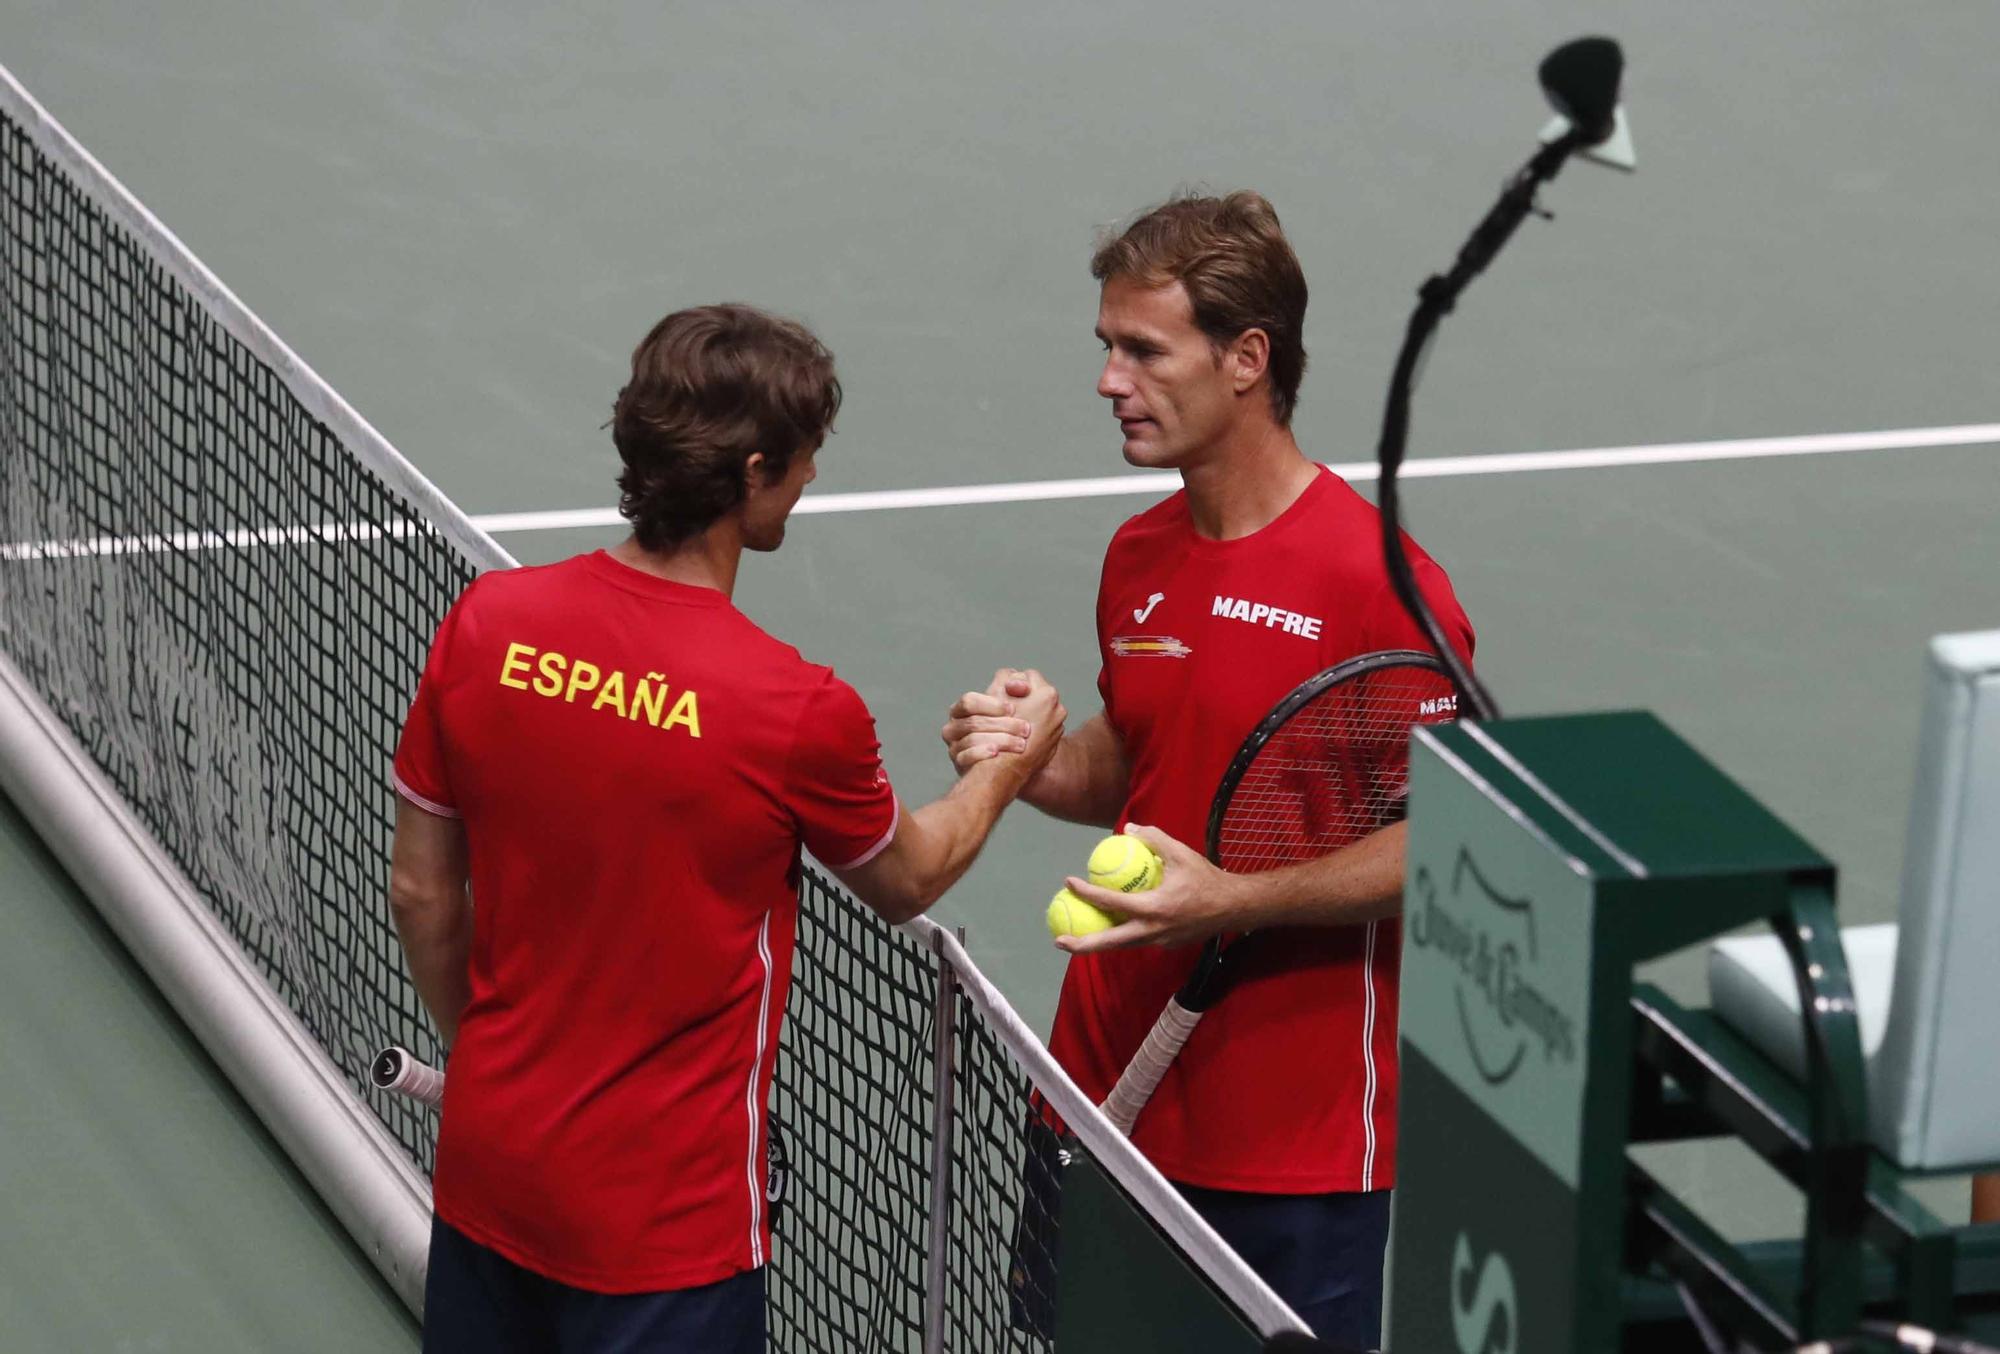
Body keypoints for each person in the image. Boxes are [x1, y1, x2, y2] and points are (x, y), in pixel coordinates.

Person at [389, 303, 1063, 1353]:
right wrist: (1009, 759)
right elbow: (906, 876)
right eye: (800, 462)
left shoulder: (487, 623)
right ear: (752, 471)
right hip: (668, 1234)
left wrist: (483, 1064)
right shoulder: (791, 708)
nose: (806, 482)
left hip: (491, 1172)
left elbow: (423, 892)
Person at [942, 192, 1474, 1347]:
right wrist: (1035, 756)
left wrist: (1232, 902)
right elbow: (1140, 763)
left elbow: (1450, 839)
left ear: (1246, 360)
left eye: (1141, 349)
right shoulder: (1138, 552)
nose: (1107, 380)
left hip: (1290, 1147)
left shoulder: (1376, 584)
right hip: (1100, 1094)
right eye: (1105, 348)